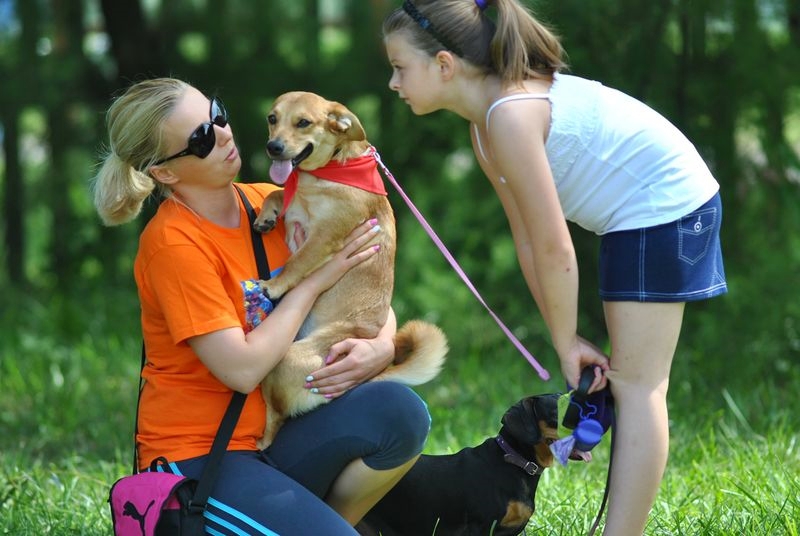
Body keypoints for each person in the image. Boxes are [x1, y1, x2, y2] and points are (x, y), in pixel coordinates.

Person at [382, 1, 727, 534]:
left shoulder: (510, 116)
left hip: (666, 206)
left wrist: (567, 344)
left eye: (400, 67)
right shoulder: (485, 128)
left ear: (444, 65)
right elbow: (528, 241)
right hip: (631, 216)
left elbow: (555, 249)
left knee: (637, 386)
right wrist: (565, 340)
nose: (393, 83)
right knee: (630, 382)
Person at [93, 77, 431, 535]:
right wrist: (311, 282)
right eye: (201, 138)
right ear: (165, 173)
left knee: (400, 411)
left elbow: (363, 287)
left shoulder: (269, 203)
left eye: (218, 115)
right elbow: (242, 370)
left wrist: (382, 346)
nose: (224, 134)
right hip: (203, 458)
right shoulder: (174, 244)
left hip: (275, 434)